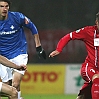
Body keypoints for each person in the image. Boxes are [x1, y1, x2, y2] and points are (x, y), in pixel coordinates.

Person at [0, 0, 46, 99]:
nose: (4, 9)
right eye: (1, 6)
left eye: (6, 6)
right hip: (2, 57)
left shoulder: (17, 17)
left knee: (15, 84)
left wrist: (38, 46)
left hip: (19, 53)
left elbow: (32, 27)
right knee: (7, 87)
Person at [49, 12, 99, 99]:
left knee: (84, 96)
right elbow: (69, 36)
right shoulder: (88, 31)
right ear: (96, 22)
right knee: (97, 79)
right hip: (89, 67)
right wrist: (59, 49)